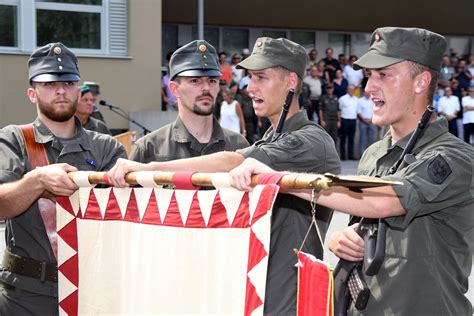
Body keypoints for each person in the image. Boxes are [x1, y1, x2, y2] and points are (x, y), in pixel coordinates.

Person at [229, 27, 473, 316]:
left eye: (384, 74)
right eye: (369, 75)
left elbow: (385, 201)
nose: (369, 87)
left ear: (421, 82)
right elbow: (364, 222)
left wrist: (277, 178)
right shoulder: (374, 154)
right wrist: (341, 239)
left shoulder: (454, 156)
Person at [108, 37, 341, 314]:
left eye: (261, 78)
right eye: (250, 78)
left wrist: (148, 170)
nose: (249, 87)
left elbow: (233, 162)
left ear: (291, 81)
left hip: (285, 298)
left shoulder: (308, 140)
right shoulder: (269, 139)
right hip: (242, 291)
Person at [0, 42, 127, 315]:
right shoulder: (13, 140)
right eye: (49, 84)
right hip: (27, 294)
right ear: (32, 94)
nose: (60, 90)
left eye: (69, 82)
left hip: (93, 291)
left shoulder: (107, 147)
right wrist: (36, 182)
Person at [130, 40, 249, 163]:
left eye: (212, 81)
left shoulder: (238, 146)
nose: (206, 88)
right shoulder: (150, 149)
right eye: (195, 81)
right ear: (174, 89)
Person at [338, 84, 358, 160]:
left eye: (352, 90)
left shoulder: (356, 99)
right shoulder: (342, 99)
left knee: (351, 138)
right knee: (343, 138)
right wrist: (339, 121)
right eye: (350, 89)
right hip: (344, 120)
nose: (351, 91)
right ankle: (343, 156)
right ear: (347, 90)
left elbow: (357, 111)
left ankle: (350, 155)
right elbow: (339, 111)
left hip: (353, 120)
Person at [357, 89, 377, 154]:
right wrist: (364, 120)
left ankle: (371, 154)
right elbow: (359, 112)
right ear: (364, 93)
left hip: (372, 121)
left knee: (372, 138)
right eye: (366, 93)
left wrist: (371, 119)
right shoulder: (360, 101)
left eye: (369, 93)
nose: (367, 94)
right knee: (362, 138)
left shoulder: (373, 100)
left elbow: (376, 110)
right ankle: (362, 154)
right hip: (363, 122)